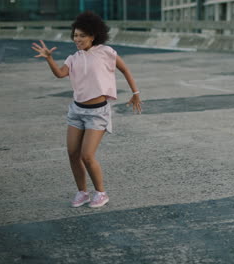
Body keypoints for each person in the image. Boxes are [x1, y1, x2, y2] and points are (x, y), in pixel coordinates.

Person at [31, 11, 142, 208]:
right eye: (75, 35)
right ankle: (82, 192)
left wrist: (136, 93)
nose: (77, 39)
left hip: (97, 113)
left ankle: (101, 193)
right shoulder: (73, 58)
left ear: (93, 35)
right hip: (76, 111)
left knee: (87, 155)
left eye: (82, 35)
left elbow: (124, 69)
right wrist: (49, 58)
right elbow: (59, 74)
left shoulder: (106, 52)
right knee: (72, 154)